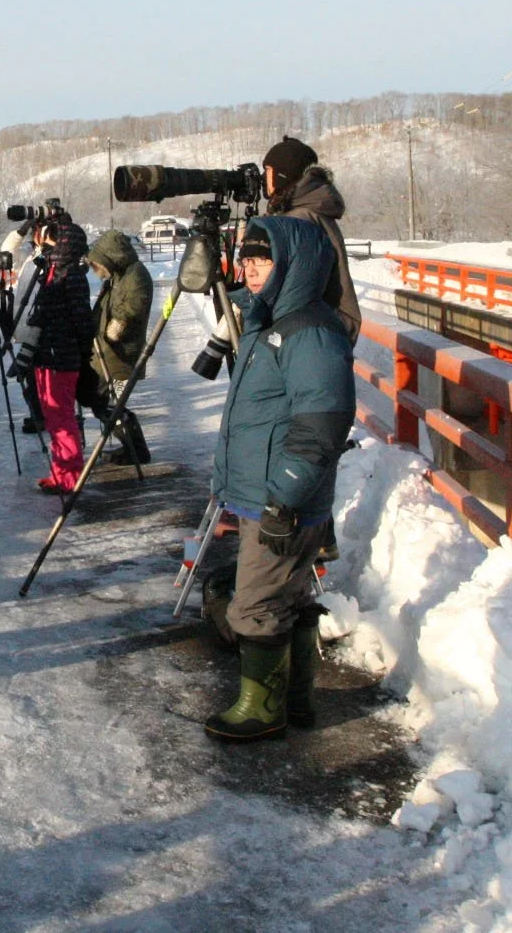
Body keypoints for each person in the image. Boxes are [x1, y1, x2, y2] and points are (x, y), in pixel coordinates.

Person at [204, 218, 355, 741]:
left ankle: (262, 710)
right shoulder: (269, 320)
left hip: (281, 497)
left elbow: (322, 423)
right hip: (265, 492)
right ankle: (296, 700)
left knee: (256, 605)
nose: (248, 271)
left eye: (261, 261)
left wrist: (283, 497)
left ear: (292, 264)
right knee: (285, 597)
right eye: (245, 261)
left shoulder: (307, 329)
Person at [10, 221, 93, 493]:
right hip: (49, 353)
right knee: (53, 416)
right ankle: (60, 472)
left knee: (62, 417)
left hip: (61, 355)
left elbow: (81, 319)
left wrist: (82, 348)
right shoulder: (55, 271)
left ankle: (69, 476)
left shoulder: (71, 276)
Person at [262, 136, 361, 342]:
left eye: (268, 170)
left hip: (309, 336)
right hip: (320, 330)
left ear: (282, 174)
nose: (264, 178)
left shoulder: (299, 221)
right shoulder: (310, 212)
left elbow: (288, 291)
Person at [82, 229, 153, 465]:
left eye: (97, 265)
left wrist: (116, 327)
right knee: (98, 399)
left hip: (118, 352)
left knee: (105, 401)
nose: (96, 271)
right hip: (105, 350)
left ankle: (135, 448)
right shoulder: (120, 275)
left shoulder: (136, 275)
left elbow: (133, 306)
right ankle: (133, 447)